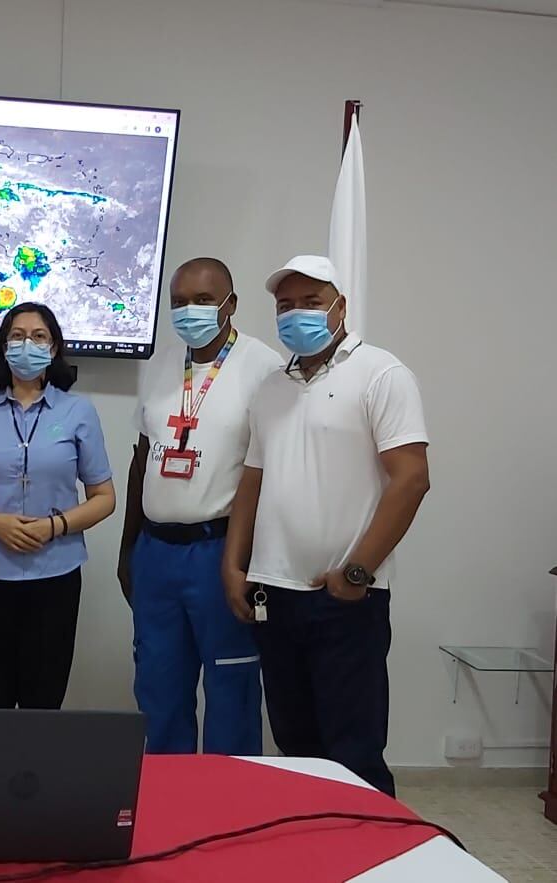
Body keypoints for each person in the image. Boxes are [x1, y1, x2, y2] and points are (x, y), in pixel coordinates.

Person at [222, 255, 430, 795]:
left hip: (345, 600)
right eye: (285, 306)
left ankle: (369, 865)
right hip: (275, 594)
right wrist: (234, 562)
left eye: (311, 303)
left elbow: (410, 480)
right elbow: (253, 480)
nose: (296, 315)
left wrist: (356, 573)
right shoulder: (272, 387)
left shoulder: (382, 373)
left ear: (340, 305)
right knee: (296, 746)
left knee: (354, 751)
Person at [118, 257, 281, 756]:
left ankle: (230, 802)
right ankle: (169, 797)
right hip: (157, 551)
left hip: (221, 552)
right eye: (180, 302)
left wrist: (253, 562)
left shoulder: (265, 367)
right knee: (158, 684)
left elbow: (272, 474)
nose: (190, 311)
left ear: (230, 305)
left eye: (204, 300)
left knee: (231, 686)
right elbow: (141, 458)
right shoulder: (160, 363)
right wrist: (128, 551)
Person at [0, 303, 115, 709]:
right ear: (3, 346)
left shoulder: (78, 411)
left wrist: (54, 527)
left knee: (43, 698)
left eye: (38, 336)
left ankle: (37, 775)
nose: (27, 345)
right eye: (17, 336)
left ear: (53, 349)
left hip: (56, 574)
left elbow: (104, 498)